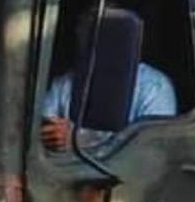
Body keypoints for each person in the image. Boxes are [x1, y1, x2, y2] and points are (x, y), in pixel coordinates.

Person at [39, 8, 177, 151]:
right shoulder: (64, 84)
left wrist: (82, 139)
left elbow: (152, 150)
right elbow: (44, 129)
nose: (81, 34)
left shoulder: (155, 87)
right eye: (82, 28)